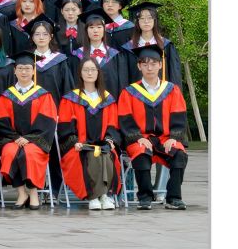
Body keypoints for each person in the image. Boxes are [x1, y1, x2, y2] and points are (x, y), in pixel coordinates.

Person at [119, 45, 188, 210]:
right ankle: (145, 197)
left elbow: (179, 116)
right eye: (145, 64)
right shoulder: (129, 92)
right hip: (141, 138)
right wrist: (138, 137)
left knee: (179, 154)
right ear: (139, 66)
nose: (149, 68)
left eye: (153, 63)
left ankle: (173, 198)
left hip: (165, 138)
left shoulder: (172, 90)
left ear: (160, 65)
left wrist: (173, 137)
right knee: (141, 153)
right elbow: (125, 119)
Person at [57, 58, 122, 210]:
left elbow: (113, 125)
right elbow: (65, 127)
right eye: (86, 70)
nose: (89, 73)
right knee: (92, 155)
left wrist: (109, 141)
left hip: (102, 144)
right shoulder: (71, 99)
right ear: (80, 73)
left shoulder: (107, 99)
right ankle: (94, 196)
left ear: (98, 73)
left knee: (105, 153)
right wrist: (75, 142)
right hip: (79, 146)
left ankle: (103, 195)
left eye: (93, 69)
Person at [0, 55, 57, 210]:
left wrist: (29, 138)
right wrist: (16, 137)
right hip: (12, 140)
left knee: (30, 153)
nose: (24, 72)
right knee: (10, 152)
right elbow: (0, 122)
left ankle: (33, 193)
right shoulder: (6, 96)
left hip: (35, 141)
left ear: (34, 71)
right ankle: (21, 193)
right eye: (20, 68)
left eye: (28, 68)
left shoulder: (43, 95)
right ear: (14, 71)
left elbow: (47, 122)